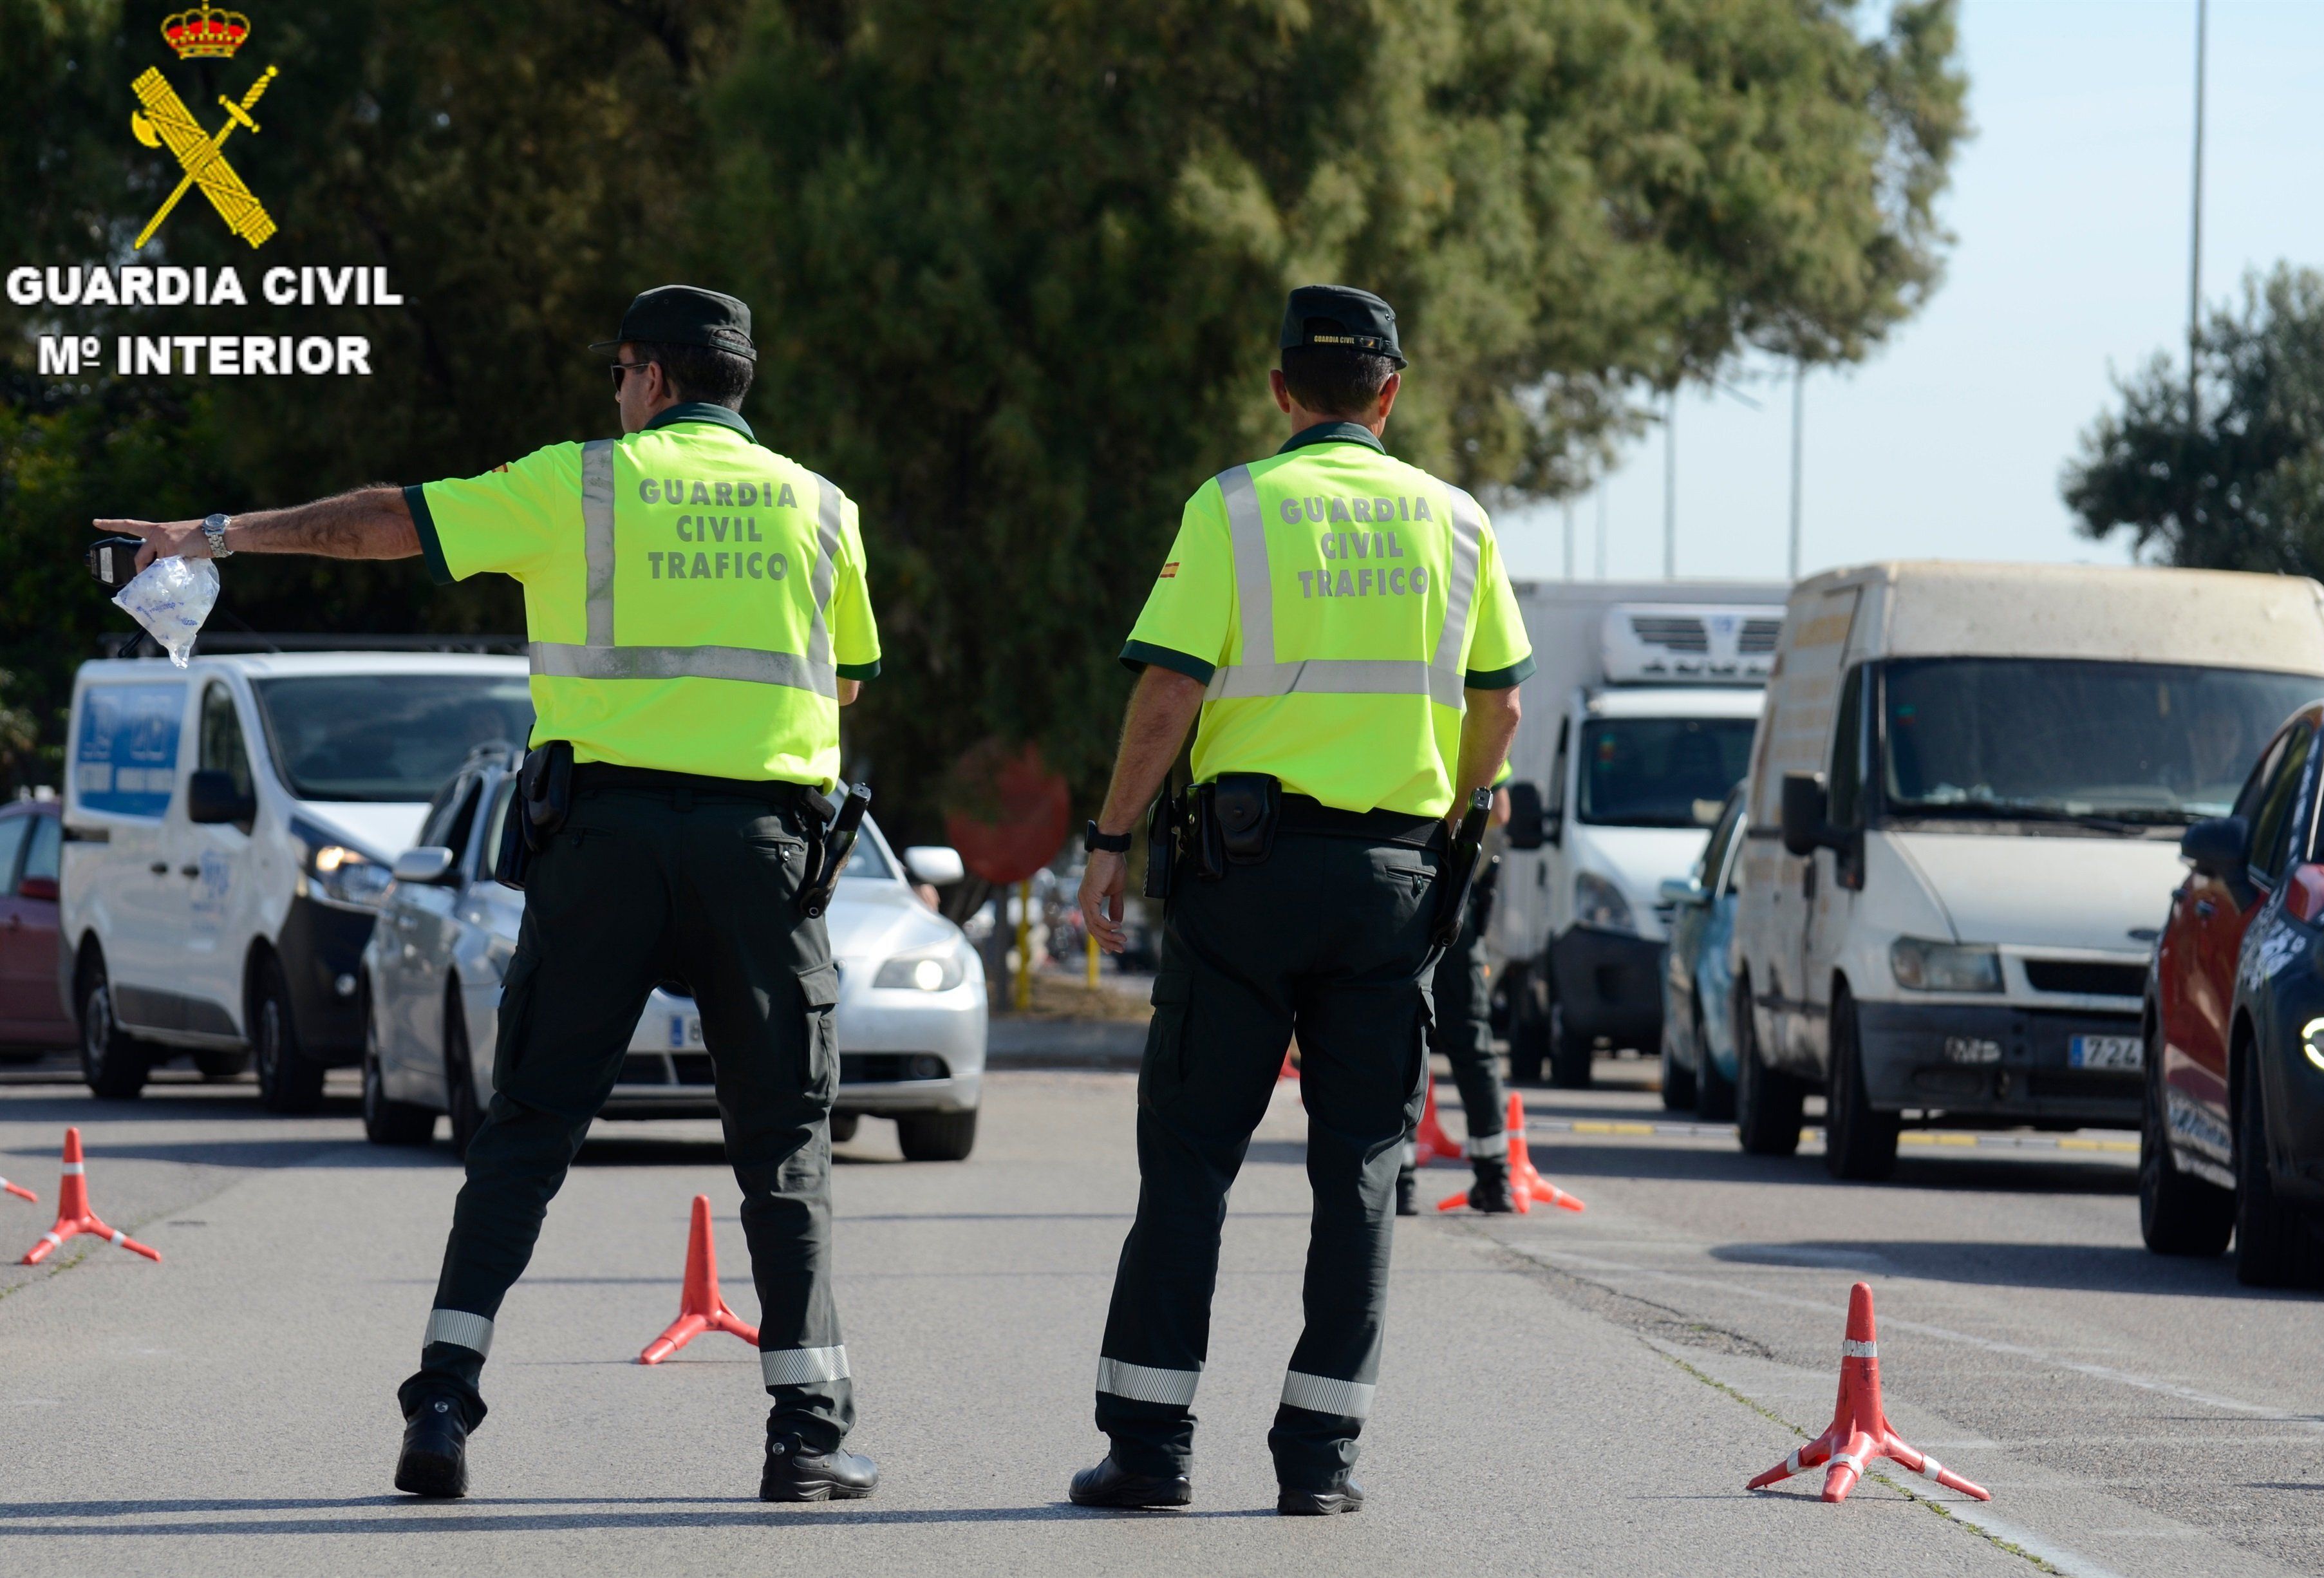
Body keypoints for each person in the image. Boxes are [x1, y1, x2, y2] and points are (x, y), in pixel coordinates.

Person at [95, 285, 883, 1505]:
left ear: (656, 379)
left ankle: (446, 1409)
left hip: (603, 841)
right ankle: (808, 1436)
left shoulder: (580, 484)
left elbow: (383, 524)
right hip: (762, 852)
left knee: (525, 1132)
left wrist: (216, 532)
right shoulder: (825, 508)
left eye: (620, 373)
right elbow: (845, 688)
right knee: (783, 1141)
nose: (614, 394)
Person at [1069, 285, 1531, 1516]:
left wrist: (1110, 838)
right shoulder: (1459, 523)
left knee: (1189, 1162)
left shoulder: (1233, 509)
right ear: (1391, 393)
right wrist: (1457, 817)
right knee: (1363, 1171)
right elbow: (1503, 709)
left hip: (1247, 879)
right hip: (1393, 884)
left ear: (1282, 388)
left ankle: (1151, 1450)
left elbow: (1167, 697)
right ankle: (1319, 1464)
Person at [1398, 768, 1515, 1216]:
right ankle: (1495, 1176)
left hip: (1403, 889)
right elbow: (1500, 810)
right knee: (1472, 1039)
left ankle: (1400, 1181)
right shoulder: (1473, 712)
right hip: (1456, 899)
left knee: (1403, 1031)